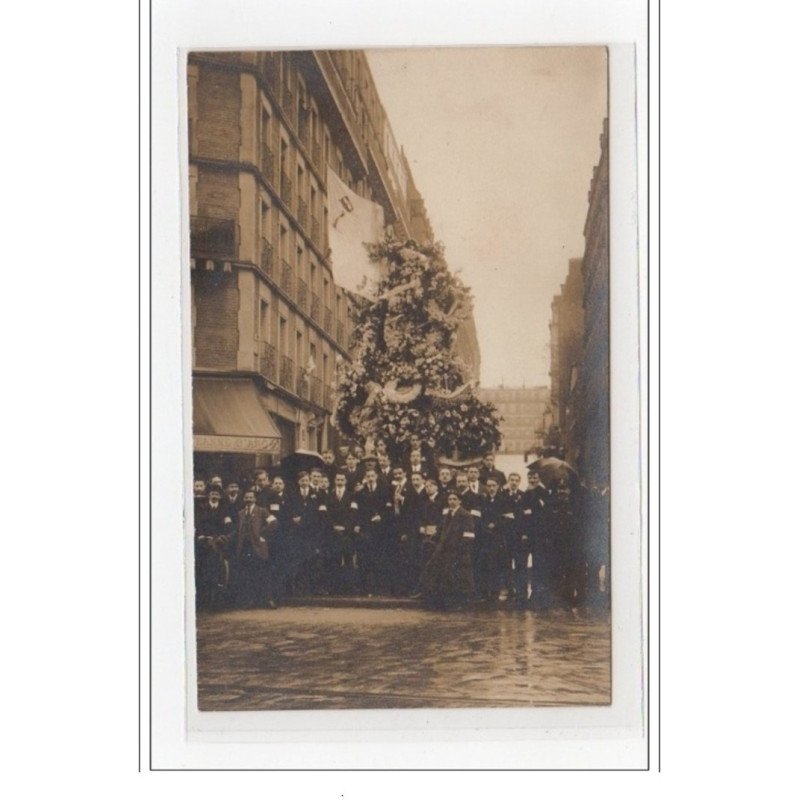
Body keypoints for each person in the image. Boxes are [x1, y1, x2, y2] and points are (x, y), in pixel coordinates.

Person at [419, 491, 476, 610]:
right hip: (444, 552)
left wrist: (460, 551)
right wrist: (431, 539)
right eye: (450, 499)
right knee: (443, 577)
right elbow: (441, 531)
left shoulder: (465, 515)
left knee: (460, 579)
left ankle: (461, 604)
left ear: (460, 501)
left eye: (455, 499)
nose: (452, 501)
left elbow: (468, 536)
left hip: (458, 553)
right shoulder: (447, 515)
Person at [231, 490, 274, 609]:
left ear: (255, 499)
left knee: (262, 573)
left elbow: (274, 522)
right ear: (244, 499)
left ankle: (268, 599)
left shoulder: (262, 511)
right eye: (246, 497)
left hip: (258, 546)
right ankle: (250, 600)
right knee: (248, 574)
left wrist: (262, 534)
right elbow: (237, 529)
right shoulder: (240, 513)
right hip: (244, 547)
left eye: (251, 497)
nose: (249, 499)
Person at [355, 465, 393, 595]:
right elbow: (358, 511)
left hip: (381, 528)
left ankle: (380, 589)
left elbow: (389, 507)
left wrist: (381, 516)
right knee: (366, 557)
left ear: (376, 476)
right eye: (368, 476)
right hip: (366, 528)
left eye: (372, 476)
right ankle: (366, 588)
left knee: (380, 557)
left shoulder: (384, 489)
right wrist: (360, 524)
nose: (370, 478)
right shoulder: (361, 492)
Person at [194, 485, 231, 610]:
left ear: (220, 497)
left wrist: (223, 536)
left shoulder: (224, 510)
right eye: (212, 494)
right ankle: (203, 601)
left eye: (217, 494)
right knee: (204, 569)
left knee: (218, 568)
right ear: (208, 495)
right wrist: (202, 536)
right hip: (204, 542)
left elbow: (228, 526)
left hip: (218, 542)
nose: (214, 496)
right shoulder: (201, 508)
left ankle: (216, 601)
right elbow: (198, 524)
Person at [476, 477, 511, 602]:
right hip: (485, 537)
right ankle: (485, 592)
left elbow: (507, 518)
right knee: (484, 564)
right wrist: (485, 526)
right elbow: (478, 517)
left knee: (496, 564)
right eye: (489, 485)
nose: (491, 488)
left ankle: (495, 592)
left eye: (493, 485)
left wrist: (495, 525)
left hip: (498, 537)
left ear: (498, 486)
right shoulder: (482, 500)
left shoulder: (504, 500)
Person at [324, 472, 359, 594]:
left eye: (342, 479)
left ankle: (349, 587)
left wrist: (345, 527)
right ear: (334, 481)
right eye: (337, 479)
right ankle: (335, 588)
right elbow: (325, 513)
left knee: (349, 559)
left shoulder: (352, 496)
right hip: (333, 532)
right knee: (335, 559)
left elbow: (353, 513)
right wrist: (334, 526)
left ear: (345, 481)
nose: (339, 481)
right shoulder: (329, 495)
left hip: (347, 533)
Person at [501, 472, 528, 605]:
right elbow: (499, 513)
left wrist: (524, 533)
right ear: (508, 481)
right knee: (506, 564)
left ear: (519, 482)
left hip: (518, 536)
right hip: (506, 535)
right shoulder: (502, 495)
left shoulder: (524, 496)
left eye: (516, 480)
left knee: (519, 564)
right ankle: (509, 591)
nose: (513, 482)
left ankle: (521, 592)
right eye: (511, 480)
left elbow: (525, 517)